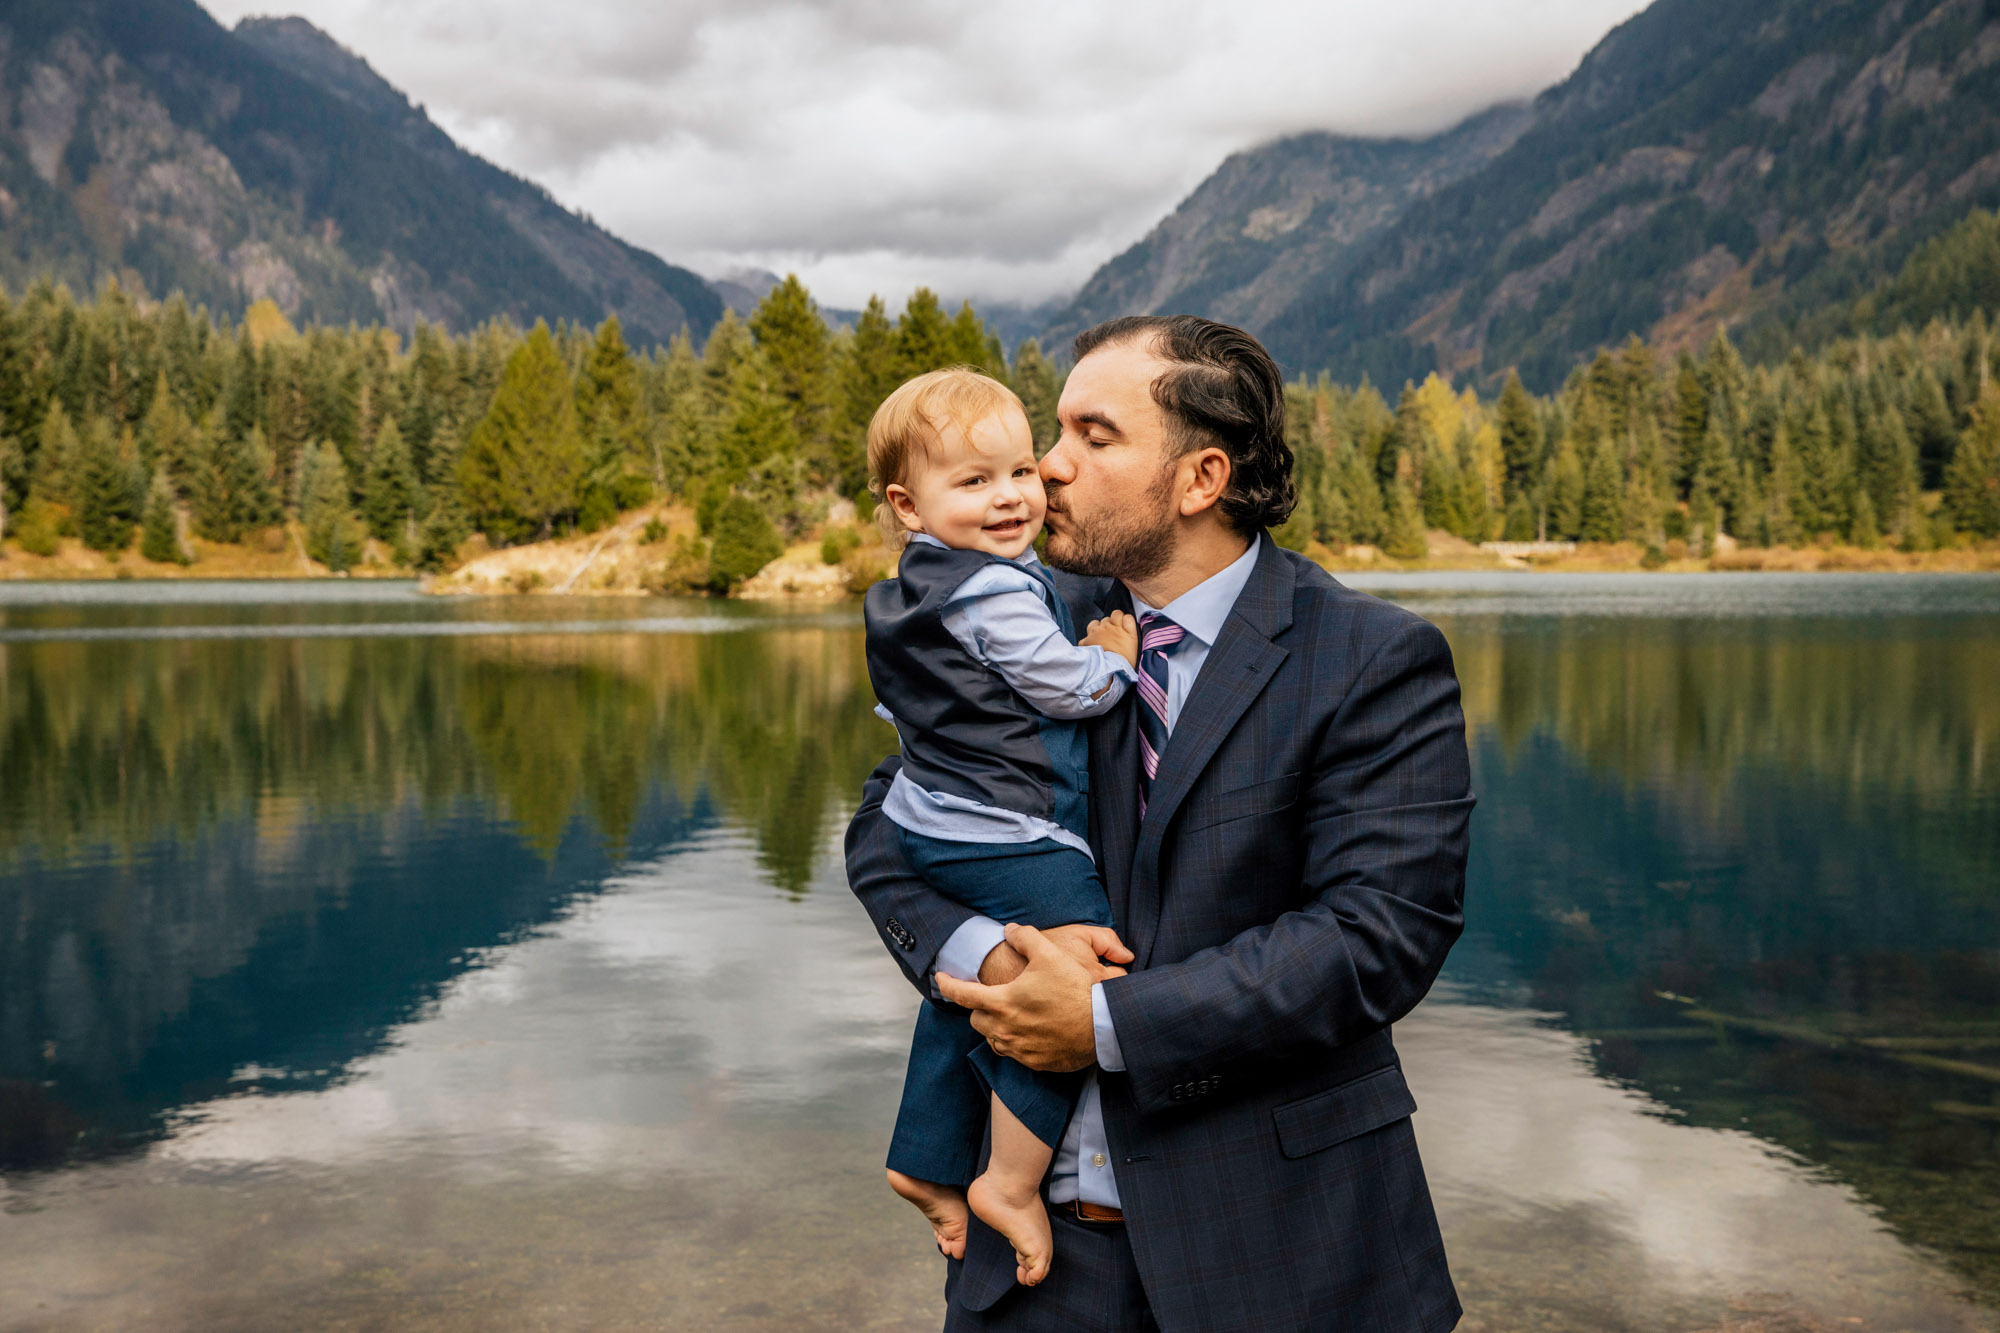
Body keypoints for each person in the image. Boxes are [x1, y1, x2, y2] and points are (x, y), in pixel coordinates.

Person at [846, 316, 1473, 1332]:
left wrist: (1099, 1022)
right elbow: (887, 826)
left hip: (1284, 1259)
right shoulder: (1019, 615)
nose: (1045, 469)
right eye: (1055, 431)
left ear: (1198, 478)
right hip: (1033, 1269)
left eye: (1092, 437)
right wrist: (992, 963)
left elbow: (1378, 936)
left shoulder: (1368, 658)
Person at [863, 367, 1145, 1288]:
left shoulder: (920, 584)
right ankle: (1012, 1182)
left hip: (937, 816)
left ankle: (925, 1155)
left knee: (989, 991)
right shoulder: (999, 591)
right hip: (1002, 828)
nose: (1020, 493)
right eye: (975, 481)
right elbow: (1067, 686)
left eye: (1019, 471)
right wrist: (1109, 663)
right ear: (908, 504)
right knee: (1078, 975)